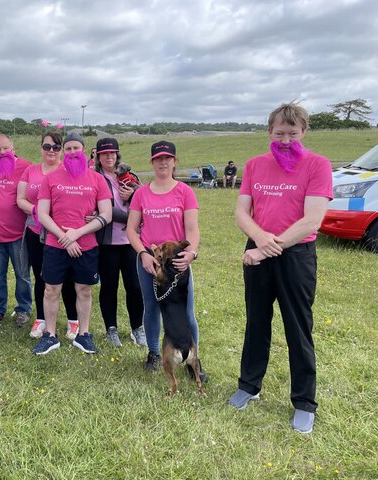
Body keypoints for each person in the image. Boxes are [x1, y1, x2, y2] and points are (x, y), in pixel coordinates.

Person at [227, 103, 332, 435]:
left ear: (304, 131)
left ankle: (304, 402)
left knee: (298, 328)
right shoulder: (256, 165)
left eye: (292, 133)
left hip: (296, 255)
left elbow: (313, 219)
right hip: (258, 250)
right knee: (256, 322)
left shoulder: (318, 165)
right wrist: (258, 239)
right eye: (279, 133)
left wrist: (270, 247)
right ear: (269, 131)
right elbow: (243, 211)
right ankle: (249, 386)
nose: (285, 139)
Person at [127, 140, 207, 380]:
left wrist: (190, 254)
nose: (163, 162)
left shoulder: (185, 191)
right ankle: (153, 353)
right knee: (151, 308)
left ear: (174, 161)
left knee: (186, 312)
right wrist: (142, 253)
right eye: (158, 158)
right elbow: (132, 230)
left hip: (178, 260)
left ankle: (193, 359)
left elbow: (192, 230)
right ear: (152, 162)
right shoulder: (141, 193)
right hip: (150, 260)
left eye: (167, 158)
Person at [32, 132, 112, 355]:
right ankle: (49, 335)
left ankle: (83, 335)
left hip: (86, 245)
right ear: (63, 152)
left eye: (76, 148)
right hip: (55, 244)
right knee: (51, 290)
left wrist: (77, 233)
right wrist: (64, 238)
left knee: (84, 290)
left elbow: (106, 214)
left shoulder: (97, 179)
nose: (72, 152)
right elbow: (43, 214)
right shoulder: (51, 178)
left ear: (84, 151)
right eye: (68, 149)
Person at [17, 133, 81, 340]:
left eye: (56, 147)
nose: (51, 150)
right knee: (41, 276)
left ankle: (73, 320)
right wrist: (40, 212)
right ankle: (42, 318)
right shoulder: (31, 170)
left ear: (61, 149)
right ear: (41, 148)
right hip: (36, 230)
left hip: (63, 232)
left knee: (68, 277)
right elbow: (20, 200)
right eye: (47, 146)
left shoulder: (68, 170)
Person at [90, 137, 146, 347]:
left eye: (112, 153)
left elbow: (145, 203)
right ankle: (110, 328)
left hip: (131, 241)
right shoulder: (94, 178)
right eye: (105, 154)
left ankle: (137, 328)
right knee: (109, 287)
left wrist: (134, 194)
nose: (109, 157)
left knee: (135, 286)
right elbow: (100, 210)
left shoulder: (130, 176)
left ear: (117, 154)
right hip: (107, 242)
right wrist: (126, 216)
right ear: (98, 156)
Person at [0, 134, 33, 326]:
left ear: (13, 148)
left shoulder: (26, 167)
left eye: (5, 148)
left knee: (22, 274)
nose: (2, 152)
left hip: (18, 234)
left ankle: (23, 309)